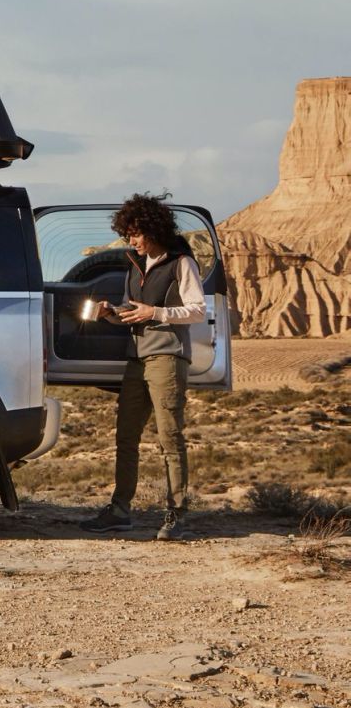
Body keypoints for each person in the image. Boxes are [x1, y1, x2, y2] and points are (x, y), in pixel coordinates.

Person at [84, 192, 208, 540]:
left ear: (153, 229)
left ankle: (177, 513)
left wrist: (157, 313)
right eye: (127, 234)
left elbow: (199, 310)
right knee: (126, 436)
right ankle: (120, 510)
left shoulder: (181, 262)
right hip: (137, 358)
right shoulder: (134, 266)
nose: (131, 240)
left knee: (170, 437)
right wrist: (113, 313)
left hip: (167, 357)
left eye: (135, 233)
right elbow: (134, 314)